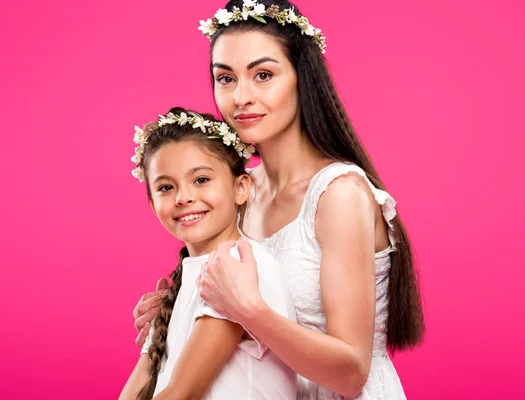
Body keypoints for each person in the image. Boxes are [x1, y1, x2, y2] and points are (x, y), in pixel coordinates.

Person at [134, 1, 425, 398]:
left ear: (301, 78)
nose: (241, 97)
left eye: (263, 75)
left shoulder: (338, 194)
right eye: (226, 78)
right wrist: (178, 314)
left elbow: (351, 374)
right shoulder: (237, 189)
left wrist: (246, 310)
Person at [120, 108, 297, 399]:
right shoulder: (185, 280)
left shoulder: (239, 266)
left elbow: (182, 393)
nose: (183, 197)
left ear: (241, 188)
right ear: (152, 204)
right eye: (166, 187)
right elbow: (138, 385)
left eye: (201, 180)